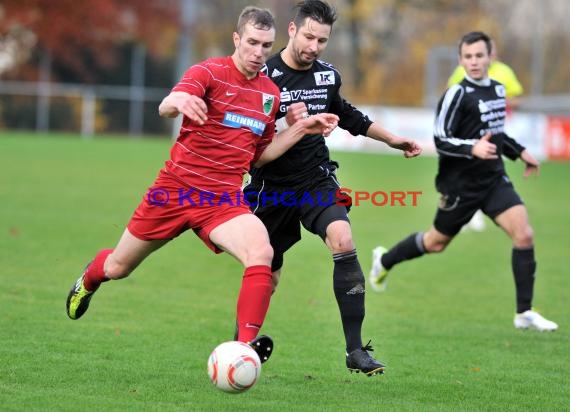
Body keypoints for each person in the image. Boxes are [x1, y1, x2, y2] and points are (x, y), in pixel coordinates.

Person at [65, 6, 340, 364]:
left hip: (223, 198)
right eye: (252, 43)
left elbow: (260, 156)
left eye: (266, 46)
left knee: (261, 251)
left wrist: (300, 129)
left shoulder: (269, 94)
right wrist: (178, 100)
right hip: (175, 190)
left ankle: (243, 350)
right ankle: (88, 279)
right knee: (119, 267)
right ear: (237, 39)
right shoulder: (208, 72)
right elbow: (168, 105)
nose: (259, 53)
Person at [244, 0, 422, 376]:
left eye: (322, 40)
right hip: (271, 189)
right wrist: (283, 124)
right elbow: (249, 142)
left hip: (315, 179)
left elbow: (350, 117)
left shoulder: (327, 76)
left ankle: (355, 351)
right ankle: (241, 348)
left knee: (342, 238)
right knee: (267, 274)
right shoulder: (263, 76)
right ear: (291, 30)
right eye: (308, 36)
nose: (313, 46)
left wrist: (391, 140)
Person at [369, 31, 558, 332]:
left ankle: (524, 312)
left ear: (490, 57)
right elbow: (440, 139)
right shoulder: (456, 94)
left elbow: (496, 134)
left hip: (493, 180)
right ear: (460, 60)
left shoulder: (497, 89)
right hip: (459, 185)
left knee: (524, 235)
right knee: (435, 243)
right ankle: (385, 260)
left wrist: (520, 152)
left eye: (479, 56)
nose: (474, 62)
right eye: (468, 57)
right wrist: (472, 148)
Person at [448, 38, 525, 233]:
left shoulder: (504, 72)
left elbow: (516, 99)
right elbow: (450, 95)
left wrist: (496, 102)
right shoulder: (461, 71)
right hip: (467, 129)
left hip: (497, 128)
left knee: (490, 166)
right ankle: (468, 210)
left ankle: (494, 204)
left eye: (485, 52)